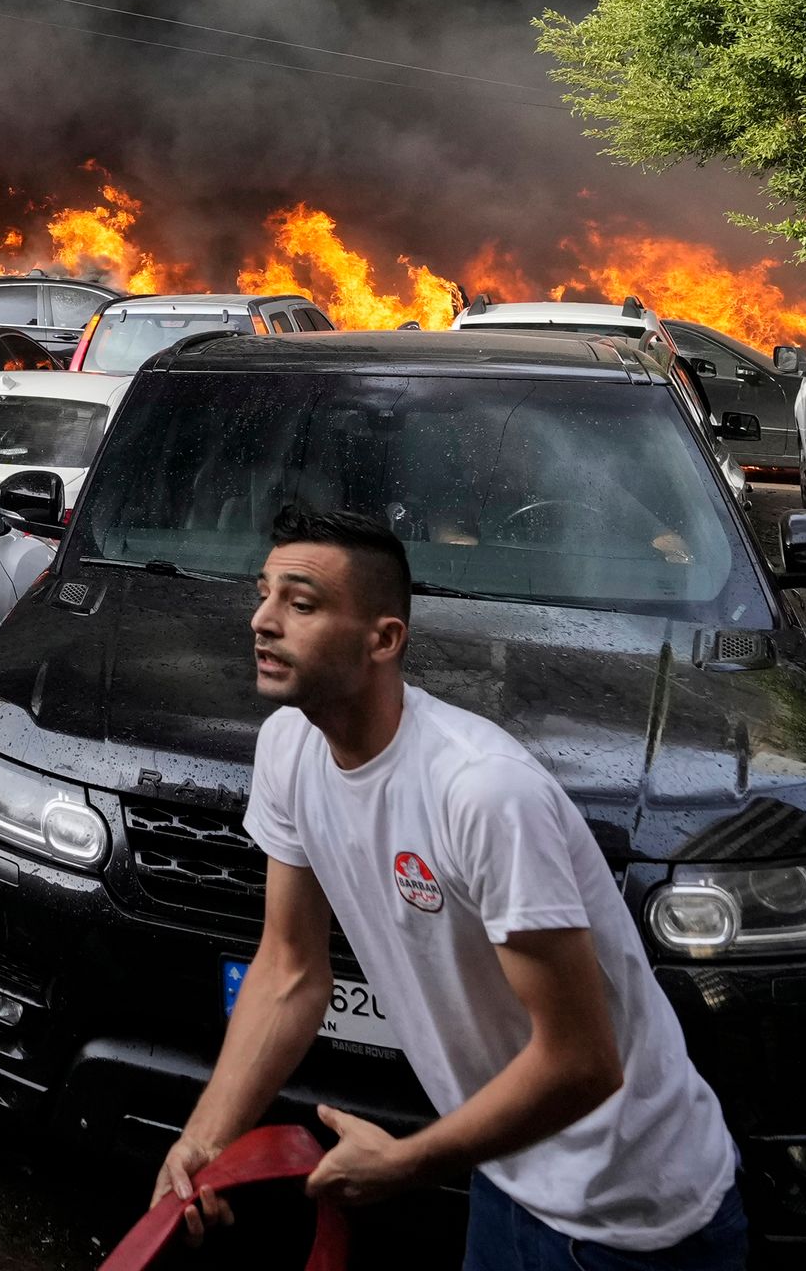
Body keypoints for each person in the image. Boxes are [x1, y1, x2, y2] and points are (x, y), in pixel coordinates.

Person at [156, 504, 746, 1269]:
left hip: (636, 1214)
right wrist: (206, 1138)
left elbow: (583, 1062)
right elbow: (289, 971)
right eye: (263, 594)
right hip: (509, 1168)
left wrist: (409, 1162)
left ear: (384, 639)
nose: (262, 620)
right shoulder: (288, 749)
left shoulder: (483, 793)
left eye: (300, 603)